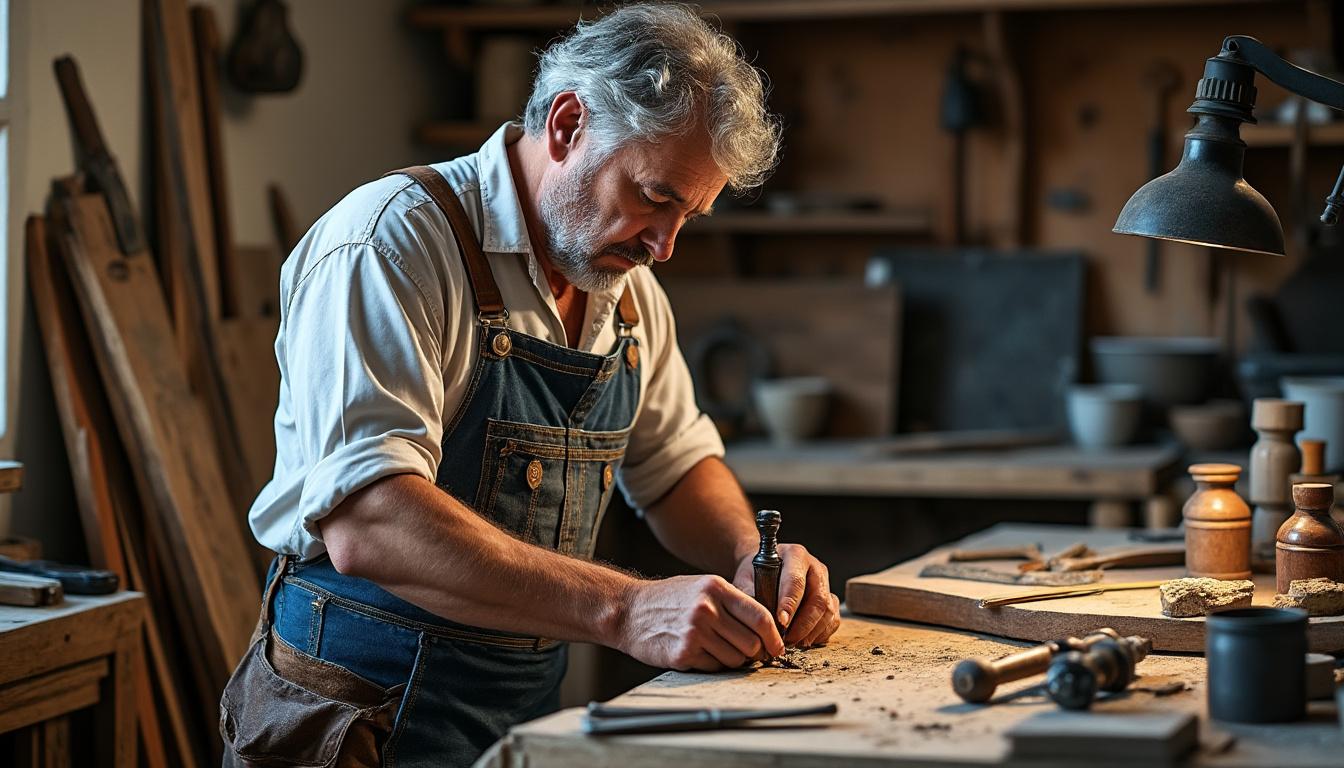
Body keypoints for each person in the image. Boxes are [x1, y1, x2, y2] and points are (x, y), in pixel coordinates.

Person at [219, 3, 841, 766]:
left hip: (519, 702)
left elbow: (675, 465)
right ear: (569, 125)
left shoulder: (627, 290)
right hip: (356, 709)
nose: (665, 245)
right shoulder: (391, 243)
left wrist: (752, 558)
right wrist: (625, 608)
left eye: (691, 215)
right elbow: (369, 521)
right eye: (654, 196)